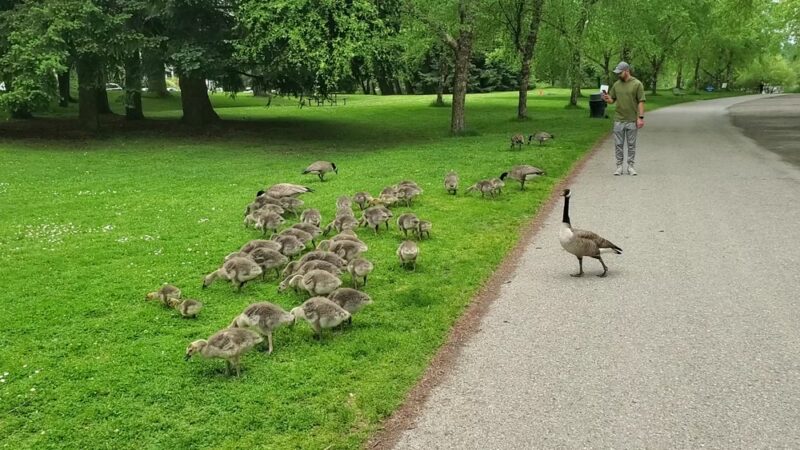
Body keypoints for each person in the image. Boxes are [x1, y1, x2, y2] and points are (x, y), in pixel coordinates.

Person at [601, 61, 645, 176]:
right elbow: (612, 100)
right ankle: (619, 167)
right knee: (618, 145)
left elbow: (641, 101)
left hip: (632, 120)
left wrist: (640, 117)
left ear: (626, 71)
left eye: (620, 72)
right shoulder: (616, 85)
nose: (618, 74)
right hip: (618, 119)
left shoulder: (637, 84)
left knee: (631, 145)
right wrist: (607, 98)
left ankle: (630, 166)